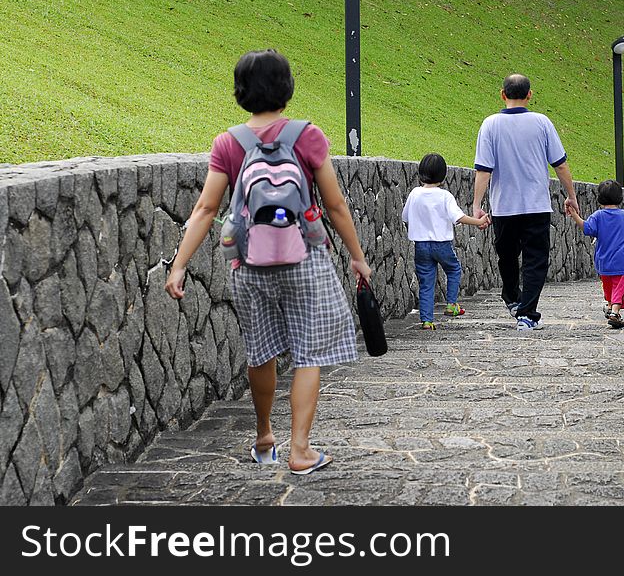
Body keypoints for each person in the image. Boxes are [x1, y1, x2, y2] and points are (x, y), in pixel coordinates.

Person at [164, 49, 371, 474]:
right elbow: (335, 204)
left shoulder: (229, 143)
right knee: (308, 354)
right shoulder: (307, 136)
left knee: (261, 353)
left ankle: (264, 437)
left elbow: (206, 208)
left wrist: (179, 264)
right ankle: (301, 450)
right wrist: (357, 257)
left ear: (240, 91)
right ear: (286, 88)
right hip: (306, 258)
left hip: (248, 262)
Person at [472, 73, 579, 331]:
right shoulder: (542, 123)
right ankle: (527, 314)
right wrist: (571, 196)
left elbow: (484, 170)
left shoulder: (490, 125)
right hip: (536, 206)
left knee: (506, 256)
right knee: (535, 260)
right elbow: (560, 165)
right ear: (529, 95)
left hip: (503, 207)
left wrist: (476, 205)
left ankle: (513, 299)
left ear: (502, 94)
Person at [402, 153, 489, 330]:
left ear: (421, 173)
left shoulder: (415, 194)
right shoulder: (445, 196)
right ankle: (451, 305)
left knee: (426, 282)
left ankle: (427, 321)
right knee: (454, 269)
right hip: (441, 244)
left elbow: (405, 216)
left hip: (421, 245)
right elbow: (459, 217)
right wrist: (479, 221)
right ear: (443, 176)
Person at [566, 179, 624, 329]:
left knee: (608, 285)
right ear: (619, 197)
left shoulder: (597, 216)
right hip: (622, 261)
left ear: (600, 198)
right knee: (620, 286)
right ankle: (615, 312)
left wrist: (574, 215)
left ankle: (610, 305)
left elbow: (586, 228)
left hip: (603, 260)